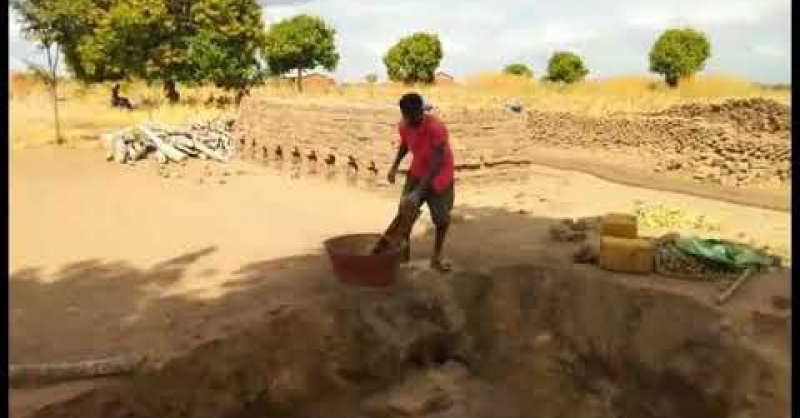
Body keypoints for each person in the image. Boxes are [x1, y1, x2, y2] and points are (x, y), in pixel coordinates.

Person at [387, 92, 455, 273]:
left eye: (413, 114)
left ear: (420, 110)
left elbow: (437, 161)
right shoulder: (404, 125)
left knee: (441, 219)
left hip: (440, 175)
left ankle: (437, 257)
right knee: (405, 213)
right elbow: (405, 144)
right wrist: (394, 166)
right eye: (406, 115)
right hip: (417, 171)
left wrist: (419, 192)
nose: (409, 119)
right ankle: (404, 259)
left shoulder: (436, 128)